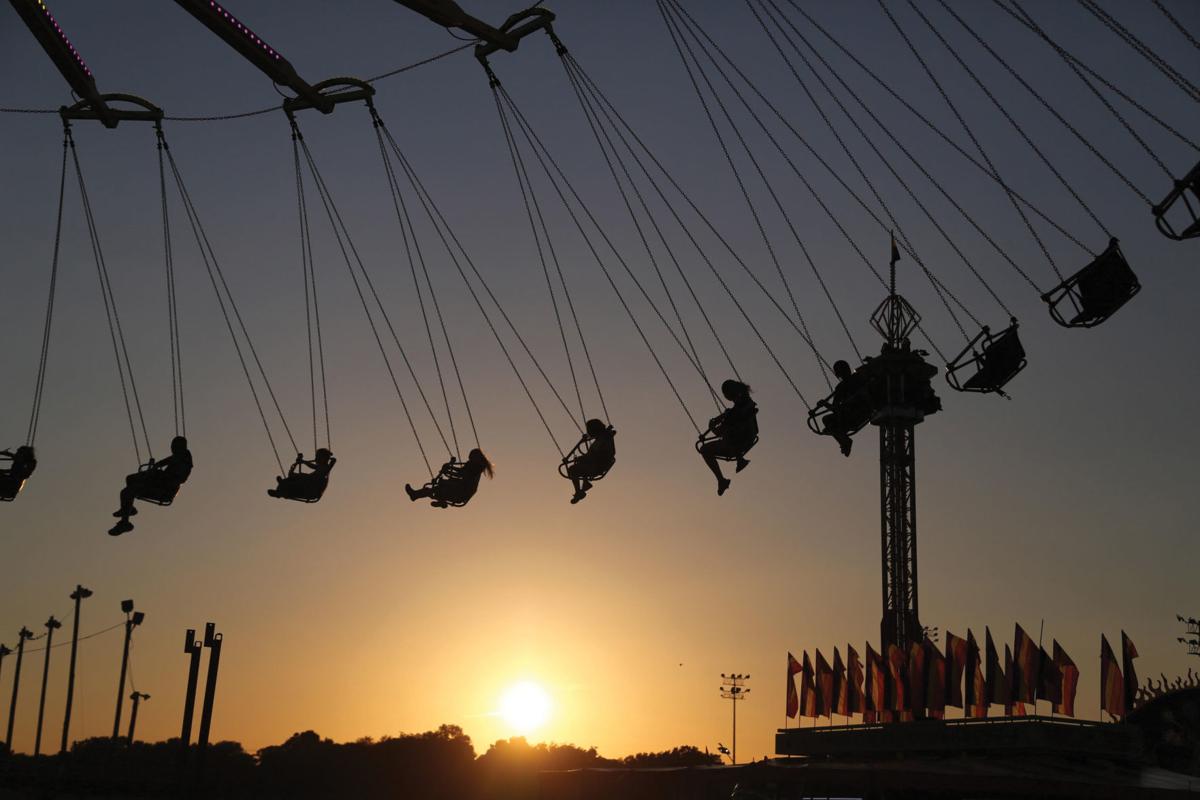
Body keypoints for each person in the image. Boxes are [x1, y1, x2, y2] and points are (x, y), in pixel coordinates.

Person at [108, 436, 193, 536]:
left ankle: (125, 523)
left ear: (180, 447)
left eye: (174, 447)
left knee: (127, 492)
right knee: (130, 478)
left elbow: (175, 479)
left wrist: (157, 474)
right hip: (159, 485)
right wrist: (156, 467)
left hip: (164, 491)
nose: (172, 449)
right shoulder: (179, 457)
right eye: (172, 447)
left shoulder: (184, 462)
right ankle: (129, 508)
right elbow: (168, 461)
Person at [698, 379, 758, 496]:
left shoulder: (738, 411)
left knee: (704, 450)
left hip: (739, 441)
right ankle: (724, 477)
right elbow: (732, 413)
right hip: (744, 438)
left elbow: (722, 431)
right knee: (708, 446)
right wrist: (721, 417)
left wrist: (714, 427)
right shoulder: (744, 404)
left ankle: (722, 478)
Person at [818, 360, 872, 457]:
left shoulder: (857, 380)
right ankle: (844, 441)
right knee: (828, 421)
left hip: (857, 413)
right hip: (850, 416)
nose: (841, 374)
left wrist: (826, 404)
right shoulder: (842, 387)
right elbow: (835, 407)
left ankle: (844, 440)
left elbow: (865, 394)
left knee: (830, 423)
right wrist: (826, 404)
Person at [406, 448, 493, 508]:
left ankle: (438, 500)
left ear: (476, 457)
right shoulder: (472, 466)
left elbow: (461, 474)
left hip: (461, 493)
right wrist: (449, 468)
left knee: (438, 488)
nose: (468, 460)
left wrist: (449, 469)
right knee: (436, 488)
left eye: (470, 458)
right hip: (459, 492)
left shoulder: (476, 467)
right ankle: (417, 495)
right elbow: (460, 472)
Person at [564, 419, 616, 504]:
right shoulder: (604, 437)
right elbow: (593, 454)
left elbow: (595, 455)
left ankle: (579, 491)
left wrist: (581, 458)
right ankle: (584, 485)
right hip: (596, 464)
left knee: (572, 470)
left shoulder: (603, 440)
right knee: (578, 465)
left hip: (596, 466)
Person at [269, 448, 336, 502]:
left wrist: (332, 463)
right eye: (316, 456)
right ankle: (282, 485)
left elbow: (323, 469)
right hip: (309, 484)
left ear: (324, 458)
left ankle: (281, 490)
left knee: (296, 479)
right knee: (293, 478)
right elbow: (312, 466)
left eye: (318, 457)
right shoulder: (321, 466)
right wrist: (303, 462)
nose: (316, 459)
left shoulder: (325, 468)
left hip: (312, 489)